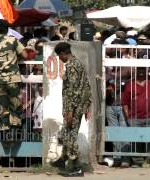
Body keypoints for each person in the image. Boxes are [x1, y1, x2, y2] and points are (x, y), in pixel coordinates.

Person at [51, 42, 92, 177]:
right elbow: (86, 86)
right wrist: (87, 106)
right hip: (79, 106)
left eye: (59, 56)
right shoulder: (78, 63)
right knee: (65, 134)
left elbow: (73, 90)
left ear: (63, 54)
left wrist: (70, 111)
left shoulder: (72, 66)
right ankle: (63, 159)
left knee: (70, 137)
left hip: (74, 108)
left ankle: (76, 167)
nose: (59, 59)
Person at [0, 19, 28, 141]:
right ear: (7, 29)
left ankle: (4, 134)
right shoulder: (13, 40)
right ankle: (16, 133)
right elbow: (25, 55)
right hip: (13, 79)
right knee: (15, 106)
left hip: (0, 81)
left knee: (2, 107)